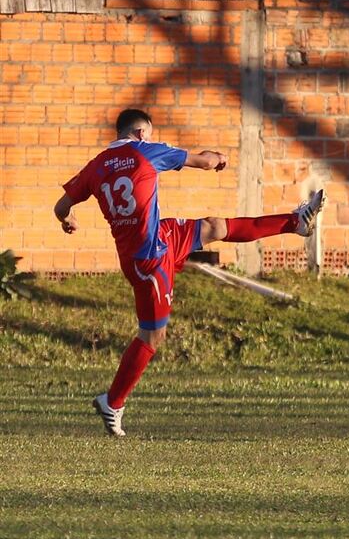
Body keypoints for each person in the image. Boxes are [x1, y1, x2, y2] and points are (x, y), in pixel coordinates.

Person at [53, 108, 325, 437]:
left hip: (156, 240)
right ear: (141, 134)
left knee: (214, 226)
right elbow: (205, 161)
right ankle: (113, 401)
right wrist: (219, 158)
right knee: (152, 336)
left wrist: (68, 220)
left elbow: (61, 206)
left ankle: (295, 222)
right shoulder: (144, 150)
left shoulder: (95, 166)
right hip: (149, 261)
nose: (150, 139)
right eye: (149, 135)